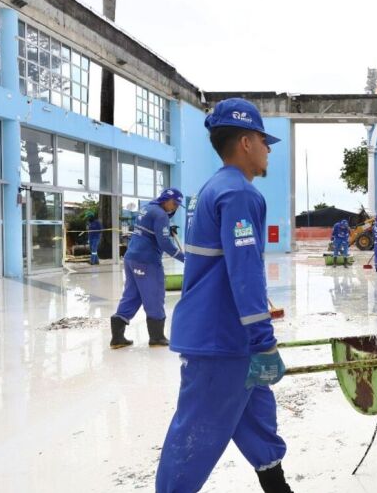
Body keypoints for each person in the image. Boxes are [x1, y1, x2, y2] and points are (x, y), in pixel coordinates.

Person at [156, 98, 293, 493]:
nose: (268, 150)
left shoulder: (213, 187)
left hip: (221, 335)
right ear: (247, 142)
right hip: (222, 339)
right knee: (196, 434)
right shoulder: (238, 194)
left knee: (255, 419)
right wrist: (262, 340)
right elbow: (245, 272)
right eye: (265, 142)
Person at [109, 188, 184, 349]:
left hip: (131, 258)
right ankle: (157, 338)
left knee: (132, 295)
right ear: (166, 199)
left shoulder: (148, 207)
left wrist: (166, 229)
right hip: (147, 261)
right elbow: (165, 245)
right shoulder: (161, 215)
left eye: (178, 205)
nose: (175, 207)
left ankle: (117, 338)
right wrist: (185, 258)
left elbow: (149, 229)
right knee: (155, 294)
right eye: (174, 203)